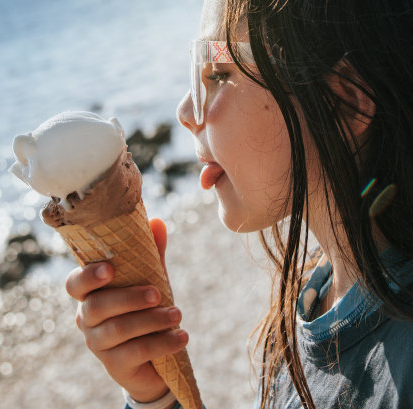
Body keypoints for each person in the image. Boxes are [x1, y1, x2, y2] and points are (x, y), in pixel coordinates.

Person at [64, 0, 413, 407]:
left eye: (218, 72)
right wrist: (154, 393)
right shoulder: (299, 313)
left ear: (344, 101)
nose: (184, 112)